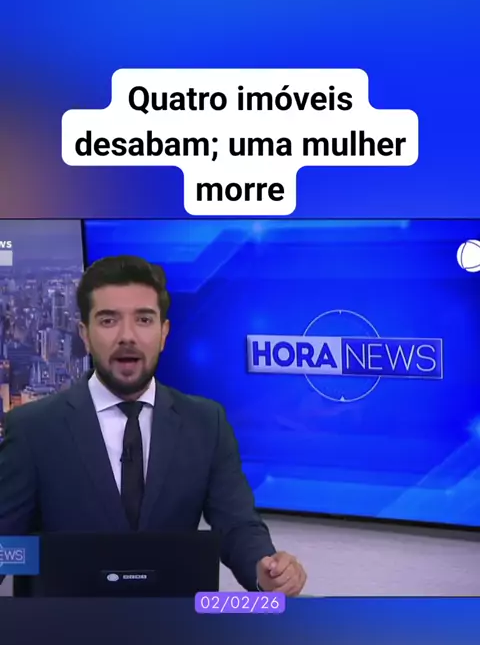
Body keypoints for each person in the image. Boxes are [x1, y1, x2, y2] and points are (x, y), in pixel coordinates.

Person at [0, 255, 307, 595]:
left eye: (144, 320)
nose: (127, 336)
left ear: (164, 333)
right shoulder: (34, 429)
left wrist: (266, 568)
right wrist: (47, 560)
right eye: (108, 320)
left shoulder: (207, 424)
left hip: (173, 625)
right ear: (84, 335)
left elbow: (237, 526)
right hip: (63, 627)